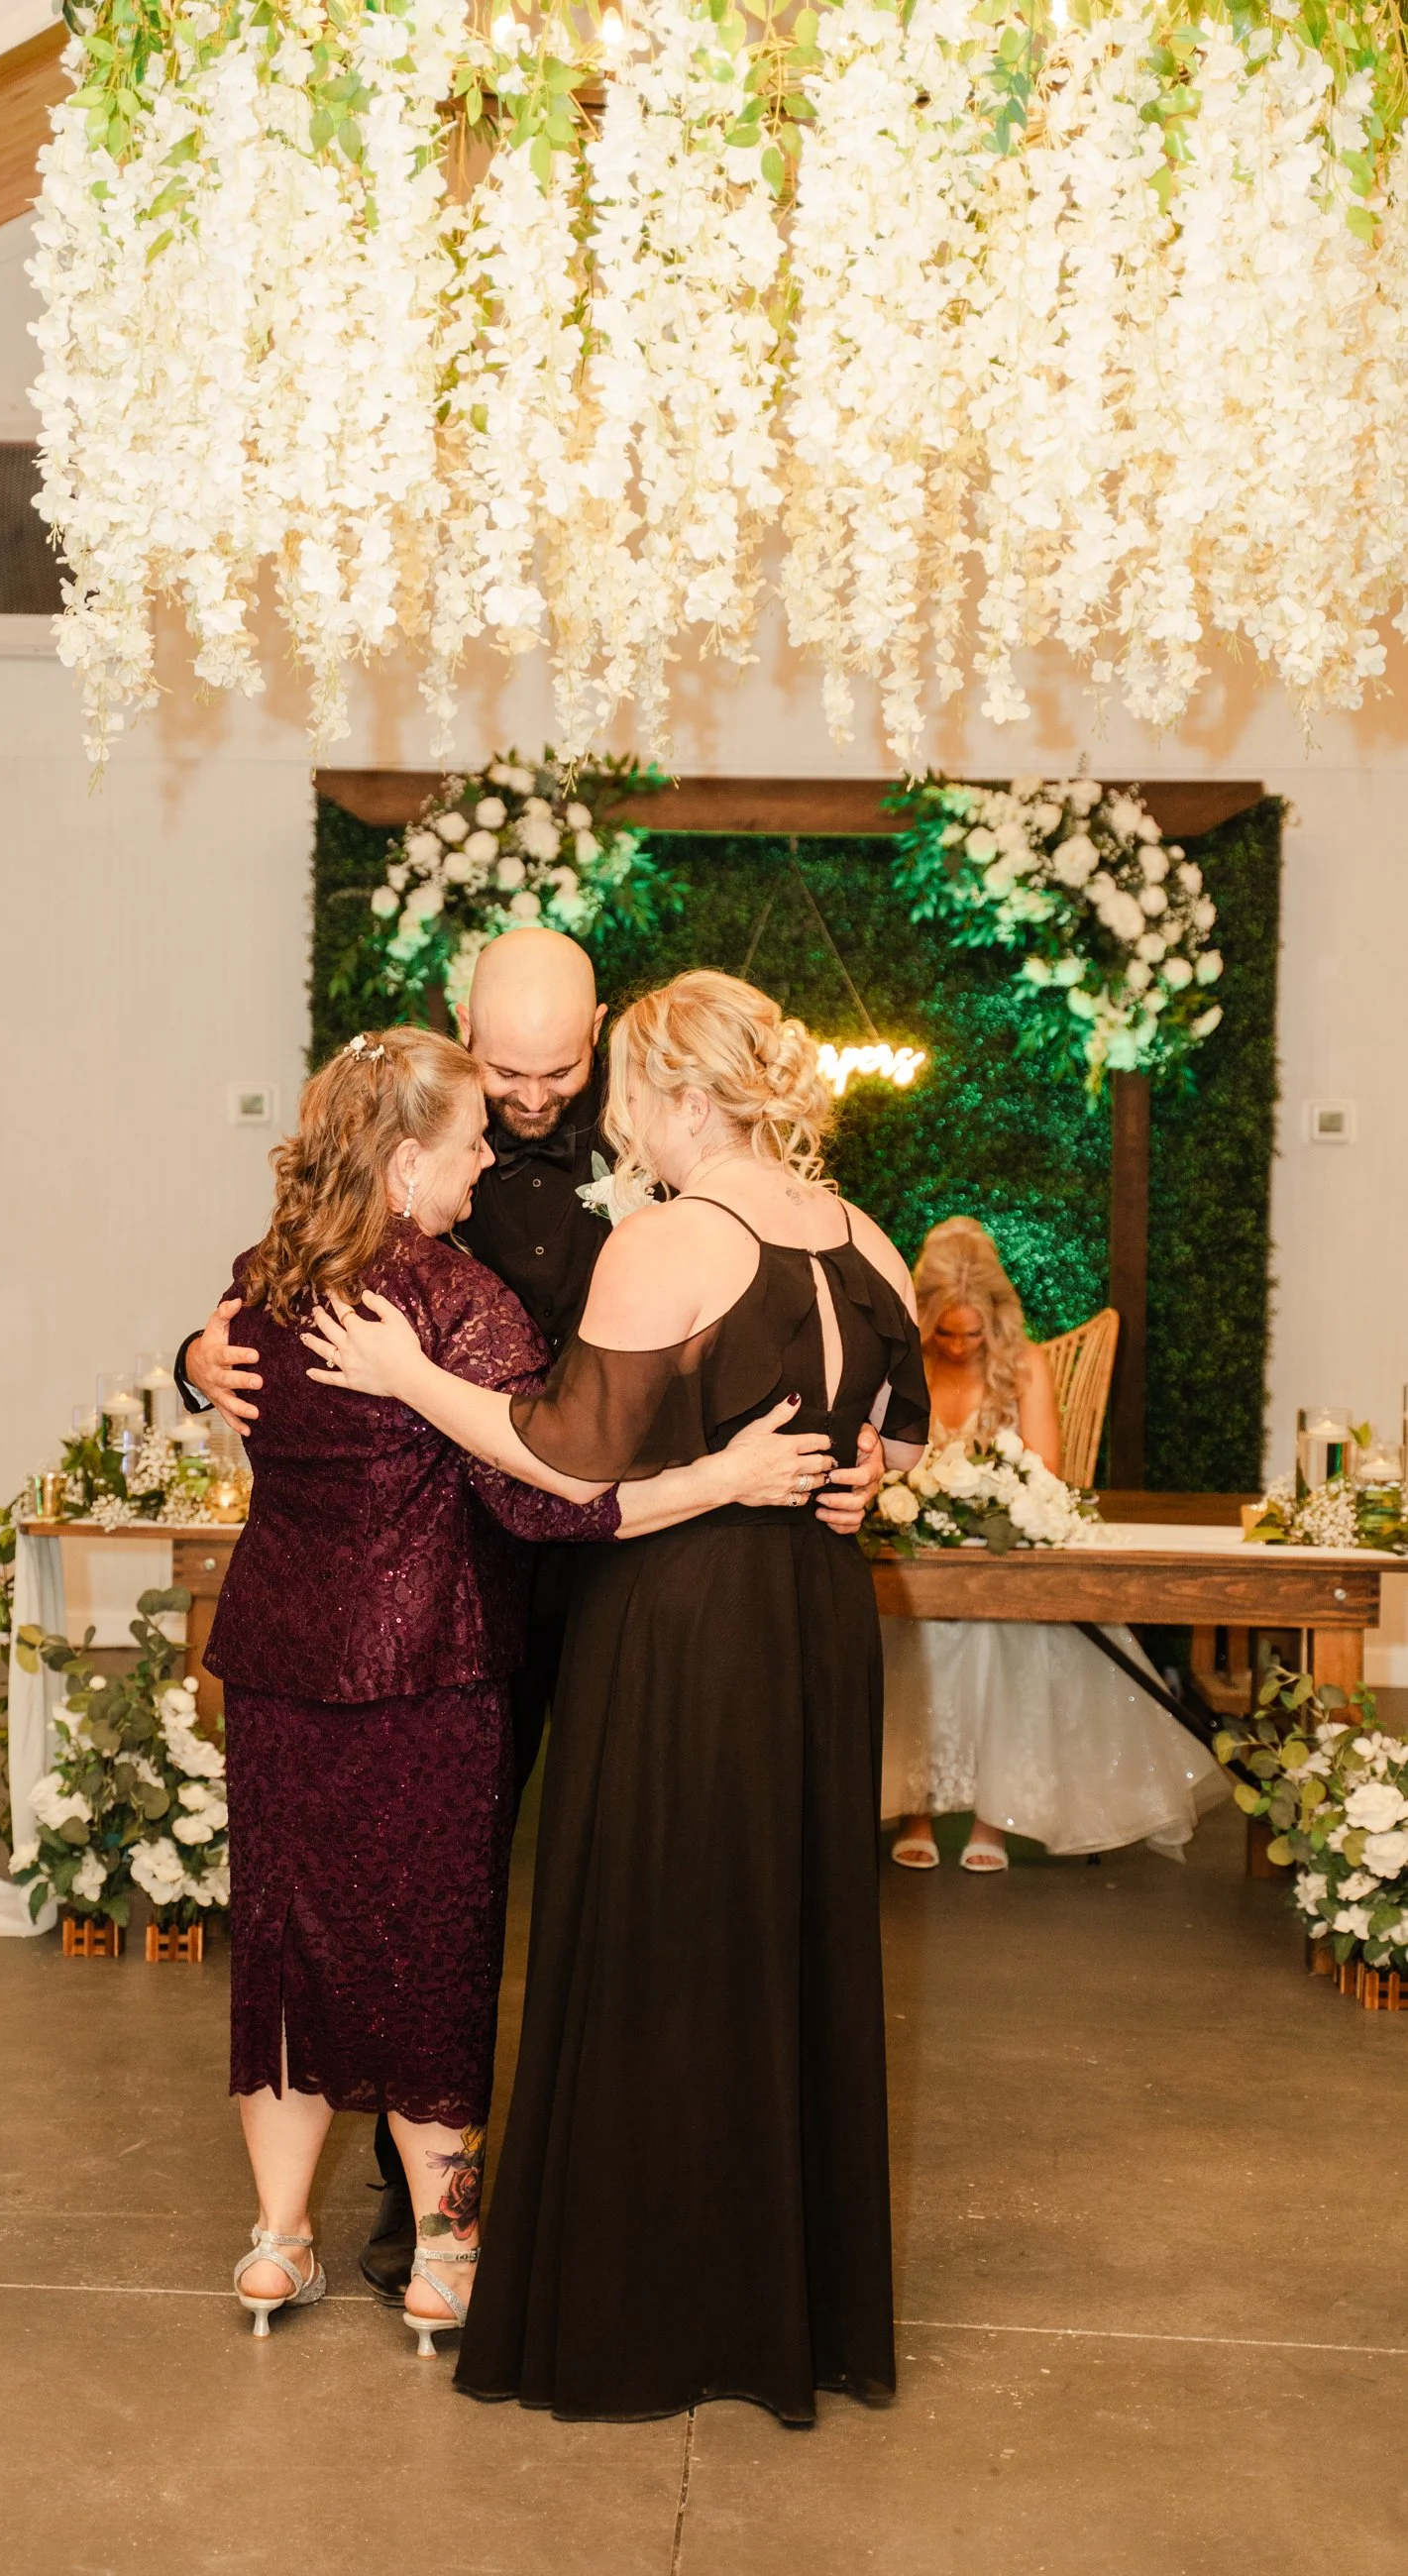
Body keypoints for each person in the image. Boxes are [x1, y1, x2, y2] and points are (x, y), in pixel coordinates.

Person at [176, 926, 887, 2298]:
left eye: (559, 1073)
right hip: (471, 1609)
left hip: (414, 1623)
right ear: (446, 1082)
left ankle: (308, 2228)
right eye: (499, 1086)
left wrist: (844, 1454)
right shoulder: (457, 1279)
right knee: (435, 1927)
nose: (526, 1107)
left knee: (321, 1927)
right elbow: (554, 1476)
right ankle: (434, 2233)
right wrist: (193, 1359)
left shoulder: (287, 1256)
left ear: (600, 1040)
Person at [304, 970, 930, 2424]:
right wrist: (847, 1481)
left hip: (682, 1624)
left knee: (658, 1932)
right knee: (779, 1932)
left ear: (683, 1099)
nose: (619, 1121)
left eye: (632, 1094)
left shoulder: (668, 1240)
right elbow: (898, 1444)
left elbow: (563, 1457)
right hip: (814, 1619)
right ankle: (785, 2303)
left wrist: (404, 1372)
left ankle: (651, 2302)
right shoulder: (865, 1237)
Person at [882, 1218, 1226, 1872]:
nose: (957, 1346)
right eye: (944, 1332)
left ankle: (993, 1818)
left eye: (972, 1334)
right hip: (921, 1549)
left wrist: (981, 1503)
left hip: (1004, 1553)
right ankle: (913, 1808)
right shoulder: (904, 1364)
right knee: (911, 1623)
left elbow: (1046, 1474)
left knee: (999, 1629)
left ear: (996, 1319)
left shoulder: (1025, 1365)